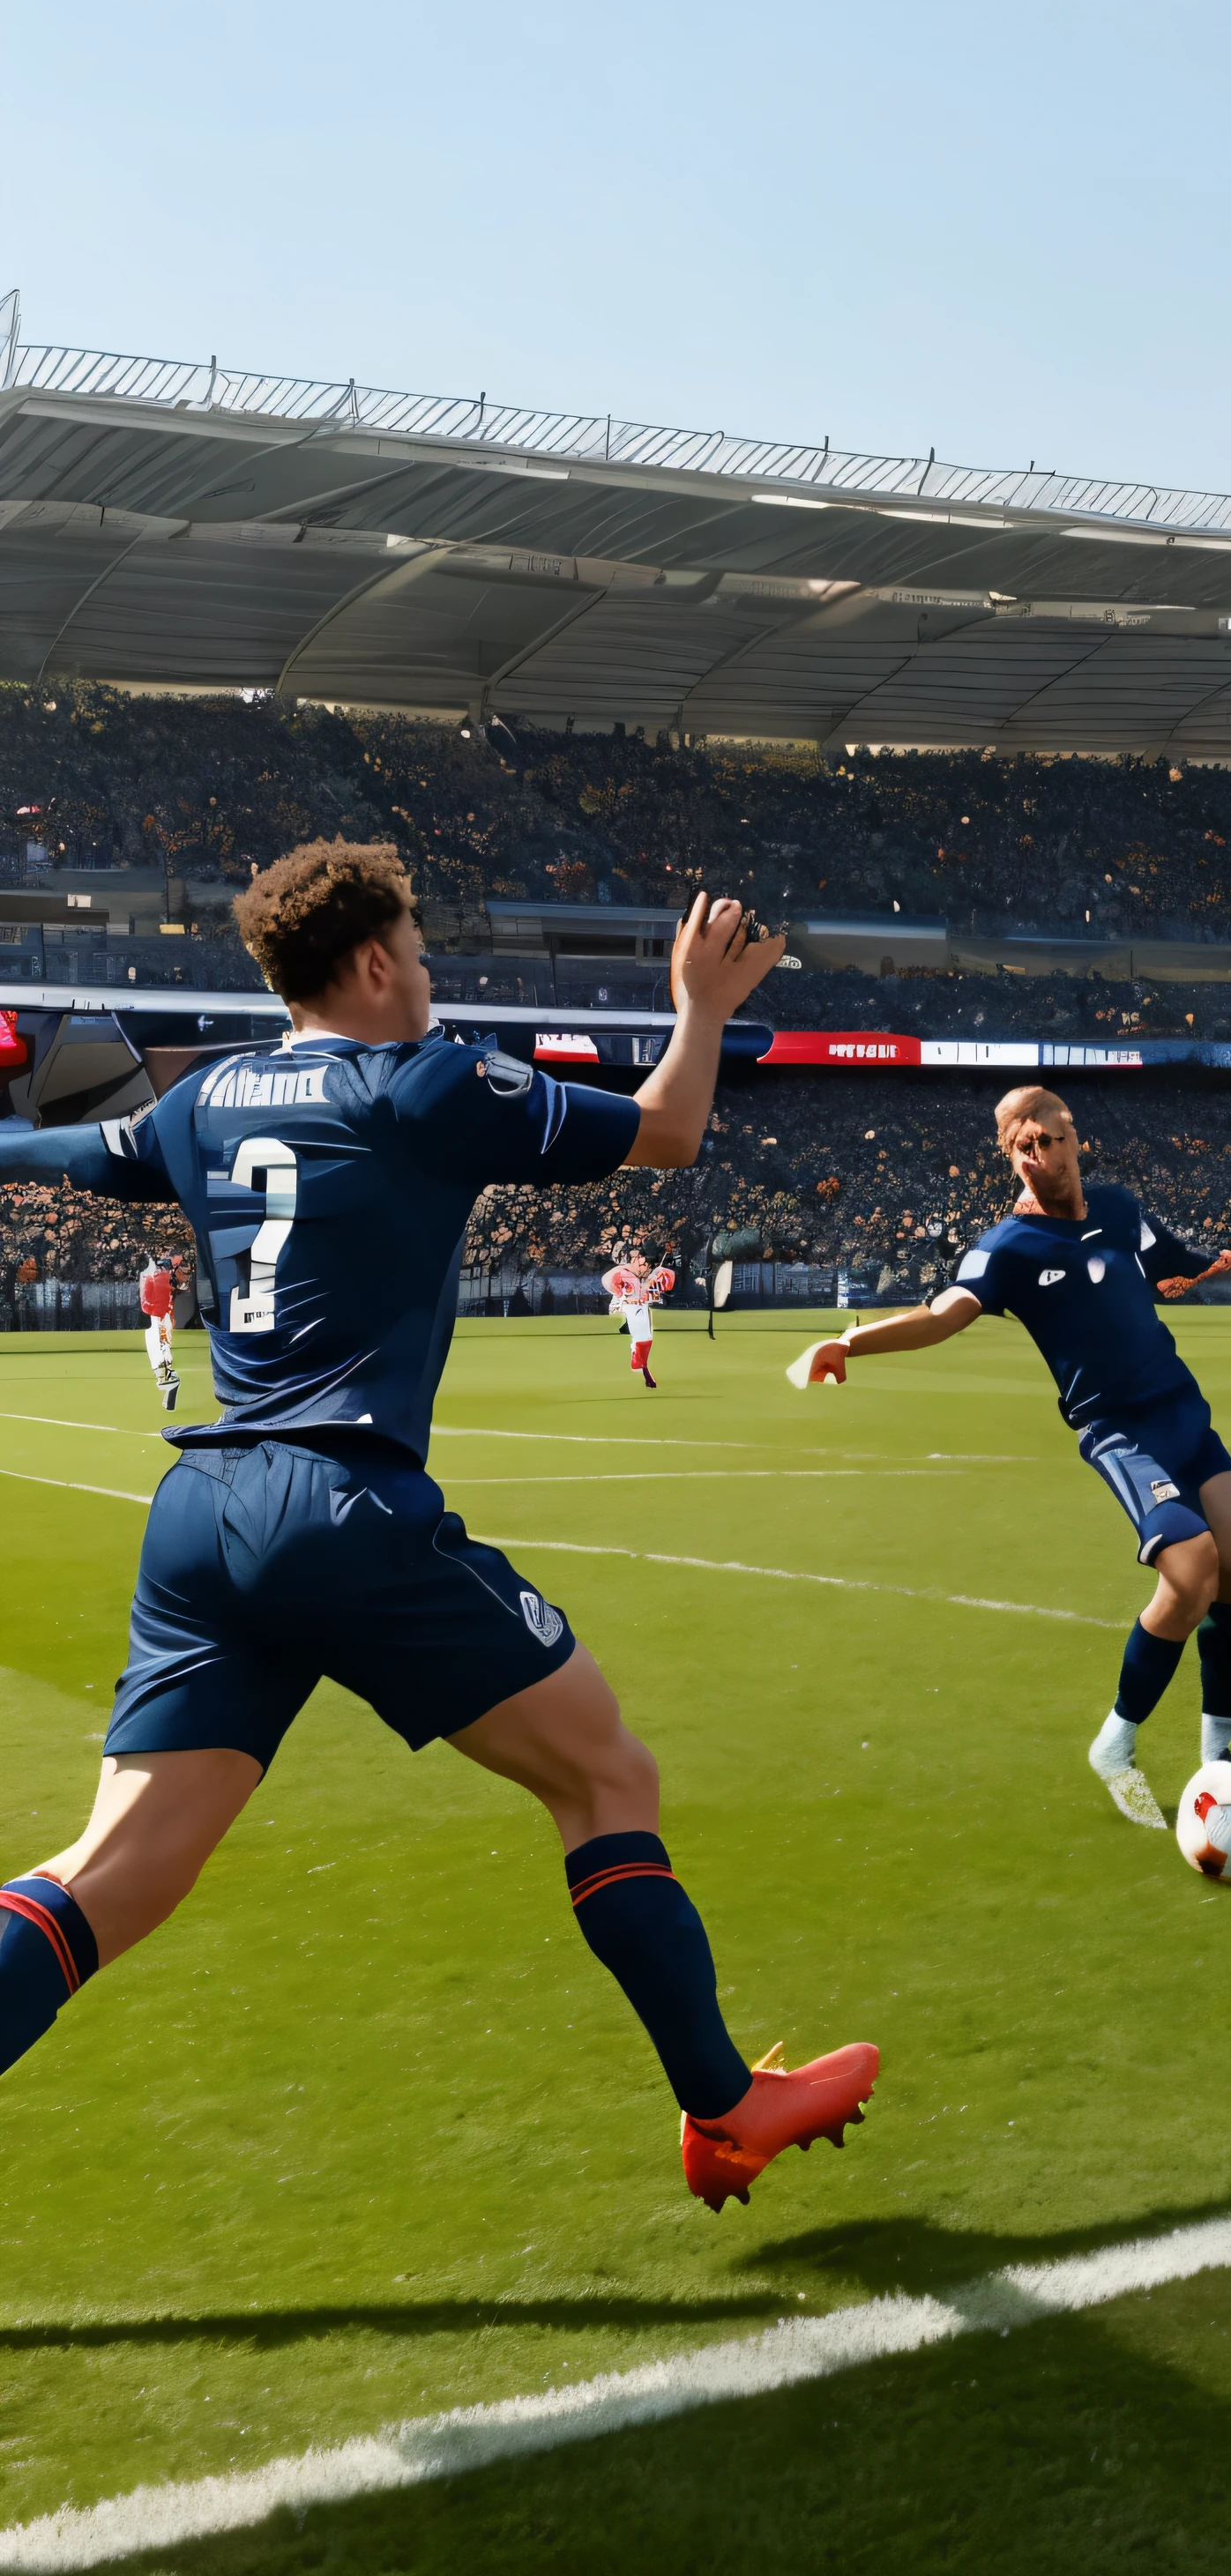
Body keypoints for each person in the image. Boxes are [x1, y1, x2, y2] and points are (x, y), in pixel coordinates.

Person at [0, 841, 877, 2215]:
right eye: (417, 947)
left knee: (111, 1876)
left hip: (201, 1517)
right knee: (605, 1779)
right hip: (340, 1505)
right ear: (370, 963)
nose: (430, 971)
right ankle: (723, 2110)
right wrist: (698, 1007)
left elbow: (73, 1153)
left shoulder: (211, 1094)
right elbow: (669, 1131)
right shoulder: (428, 1081)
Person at [789, 1088, 1231, 1828]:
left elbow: (1177, 1267)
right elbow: (943, 1315)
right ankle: (1116, 1745)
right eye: (1020, 1146)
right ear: (1009, 1156)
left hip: (1180, 1408)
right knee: (1193, 1566)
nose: (1037, 1154)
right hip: (1119, 1430)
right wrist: (851, 1342)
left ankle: (1218, 1756)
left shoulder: (1120, 1208)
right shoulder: (1007, 1246)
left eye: (1047, 1138)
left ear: (1076, 1139)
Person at [604, 1248, 677, 1389]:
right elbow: (616, 1285)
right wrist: (624, 1298)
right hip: (632, 1309)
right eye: (643, 1264)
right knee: (642, 1338)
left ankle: (642, 1367)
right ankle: (643, 1369)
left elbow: (661, 1286)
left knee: (646, 1339)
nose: (645, 1267)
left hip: (641, 1307)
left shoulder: (647, 1277)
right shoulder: (625, 1274)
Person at [138, 1252, 177, 1411]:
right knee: (158, 1344)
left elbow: (149, 1302)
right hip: (160, 1315)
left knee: (158, 1345)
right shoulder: (161, 1277)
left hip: (159, 1316)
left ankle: (167, 1378)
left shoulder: (159, 1277)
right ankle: (167, 1377)